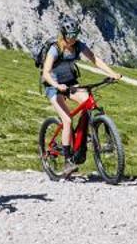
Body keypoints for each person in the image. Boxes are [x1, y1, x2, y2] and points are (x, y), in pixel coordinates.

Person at [40, 19, 120, 176]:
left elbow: (94, 59)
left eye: (75, 35)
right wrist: (56, 86)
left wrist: (112, 73)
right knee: (67, 120)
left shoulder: (78, 45)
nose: (73, 39)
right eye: (70, 35)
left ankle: (80, 138)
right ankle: (67, 162)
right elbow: (46, 73)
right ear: (63, 35)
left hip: (70, 83)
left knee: (88, 103)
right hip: (53, 87)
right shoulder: (55, 50)